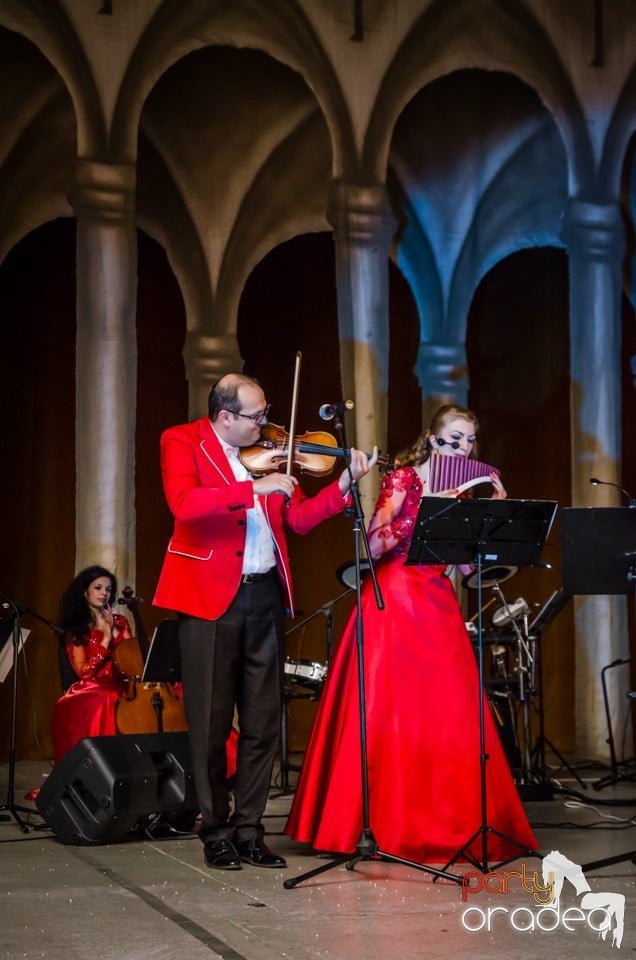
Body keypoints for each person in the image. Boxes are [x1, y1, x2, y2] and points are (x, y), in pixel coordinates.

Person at [285, 403, 538, 863]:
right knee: (389, 710)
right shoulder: (404, 478)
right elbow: (374, 542)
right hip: (394, 596)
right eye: (454, 439)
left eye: (469, 440)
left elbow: (467, 568)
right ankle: (376, 825)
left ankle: (445, 822)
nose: (463, 448)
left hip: (438, 601)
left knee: (447, 710)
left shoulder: (465, 490)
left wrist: (492, 518)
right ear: (434, 439)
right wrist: (425, 513)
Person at [153, 372, 377, 870]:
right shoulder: (182, 441)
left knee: (262, 720)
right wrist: (252, 487)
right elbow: (184, 505)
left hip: (265, 594)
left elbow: (297, 519)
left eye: (266, 413)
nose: (266, 425)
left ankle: (250, 829)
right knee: (210, 725)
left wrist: (343, 485)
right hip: (209, 598)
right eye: (256, 417)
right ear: (224, 416)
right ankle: (215, 830)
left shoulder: (271, 455)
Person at [51, 565, 132, 763]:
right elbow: (84, 672)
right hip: (90, 687)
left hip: (121, 682)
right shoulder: (76, 629)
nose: (104, 593)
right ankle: (102, 763)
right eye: (98, 588)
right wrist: (106, 639)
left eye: (108, 589)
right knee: (106, 695)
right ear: (85, 592)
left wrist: (114, 630)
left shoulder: (121, 621)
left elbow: (132, 658)